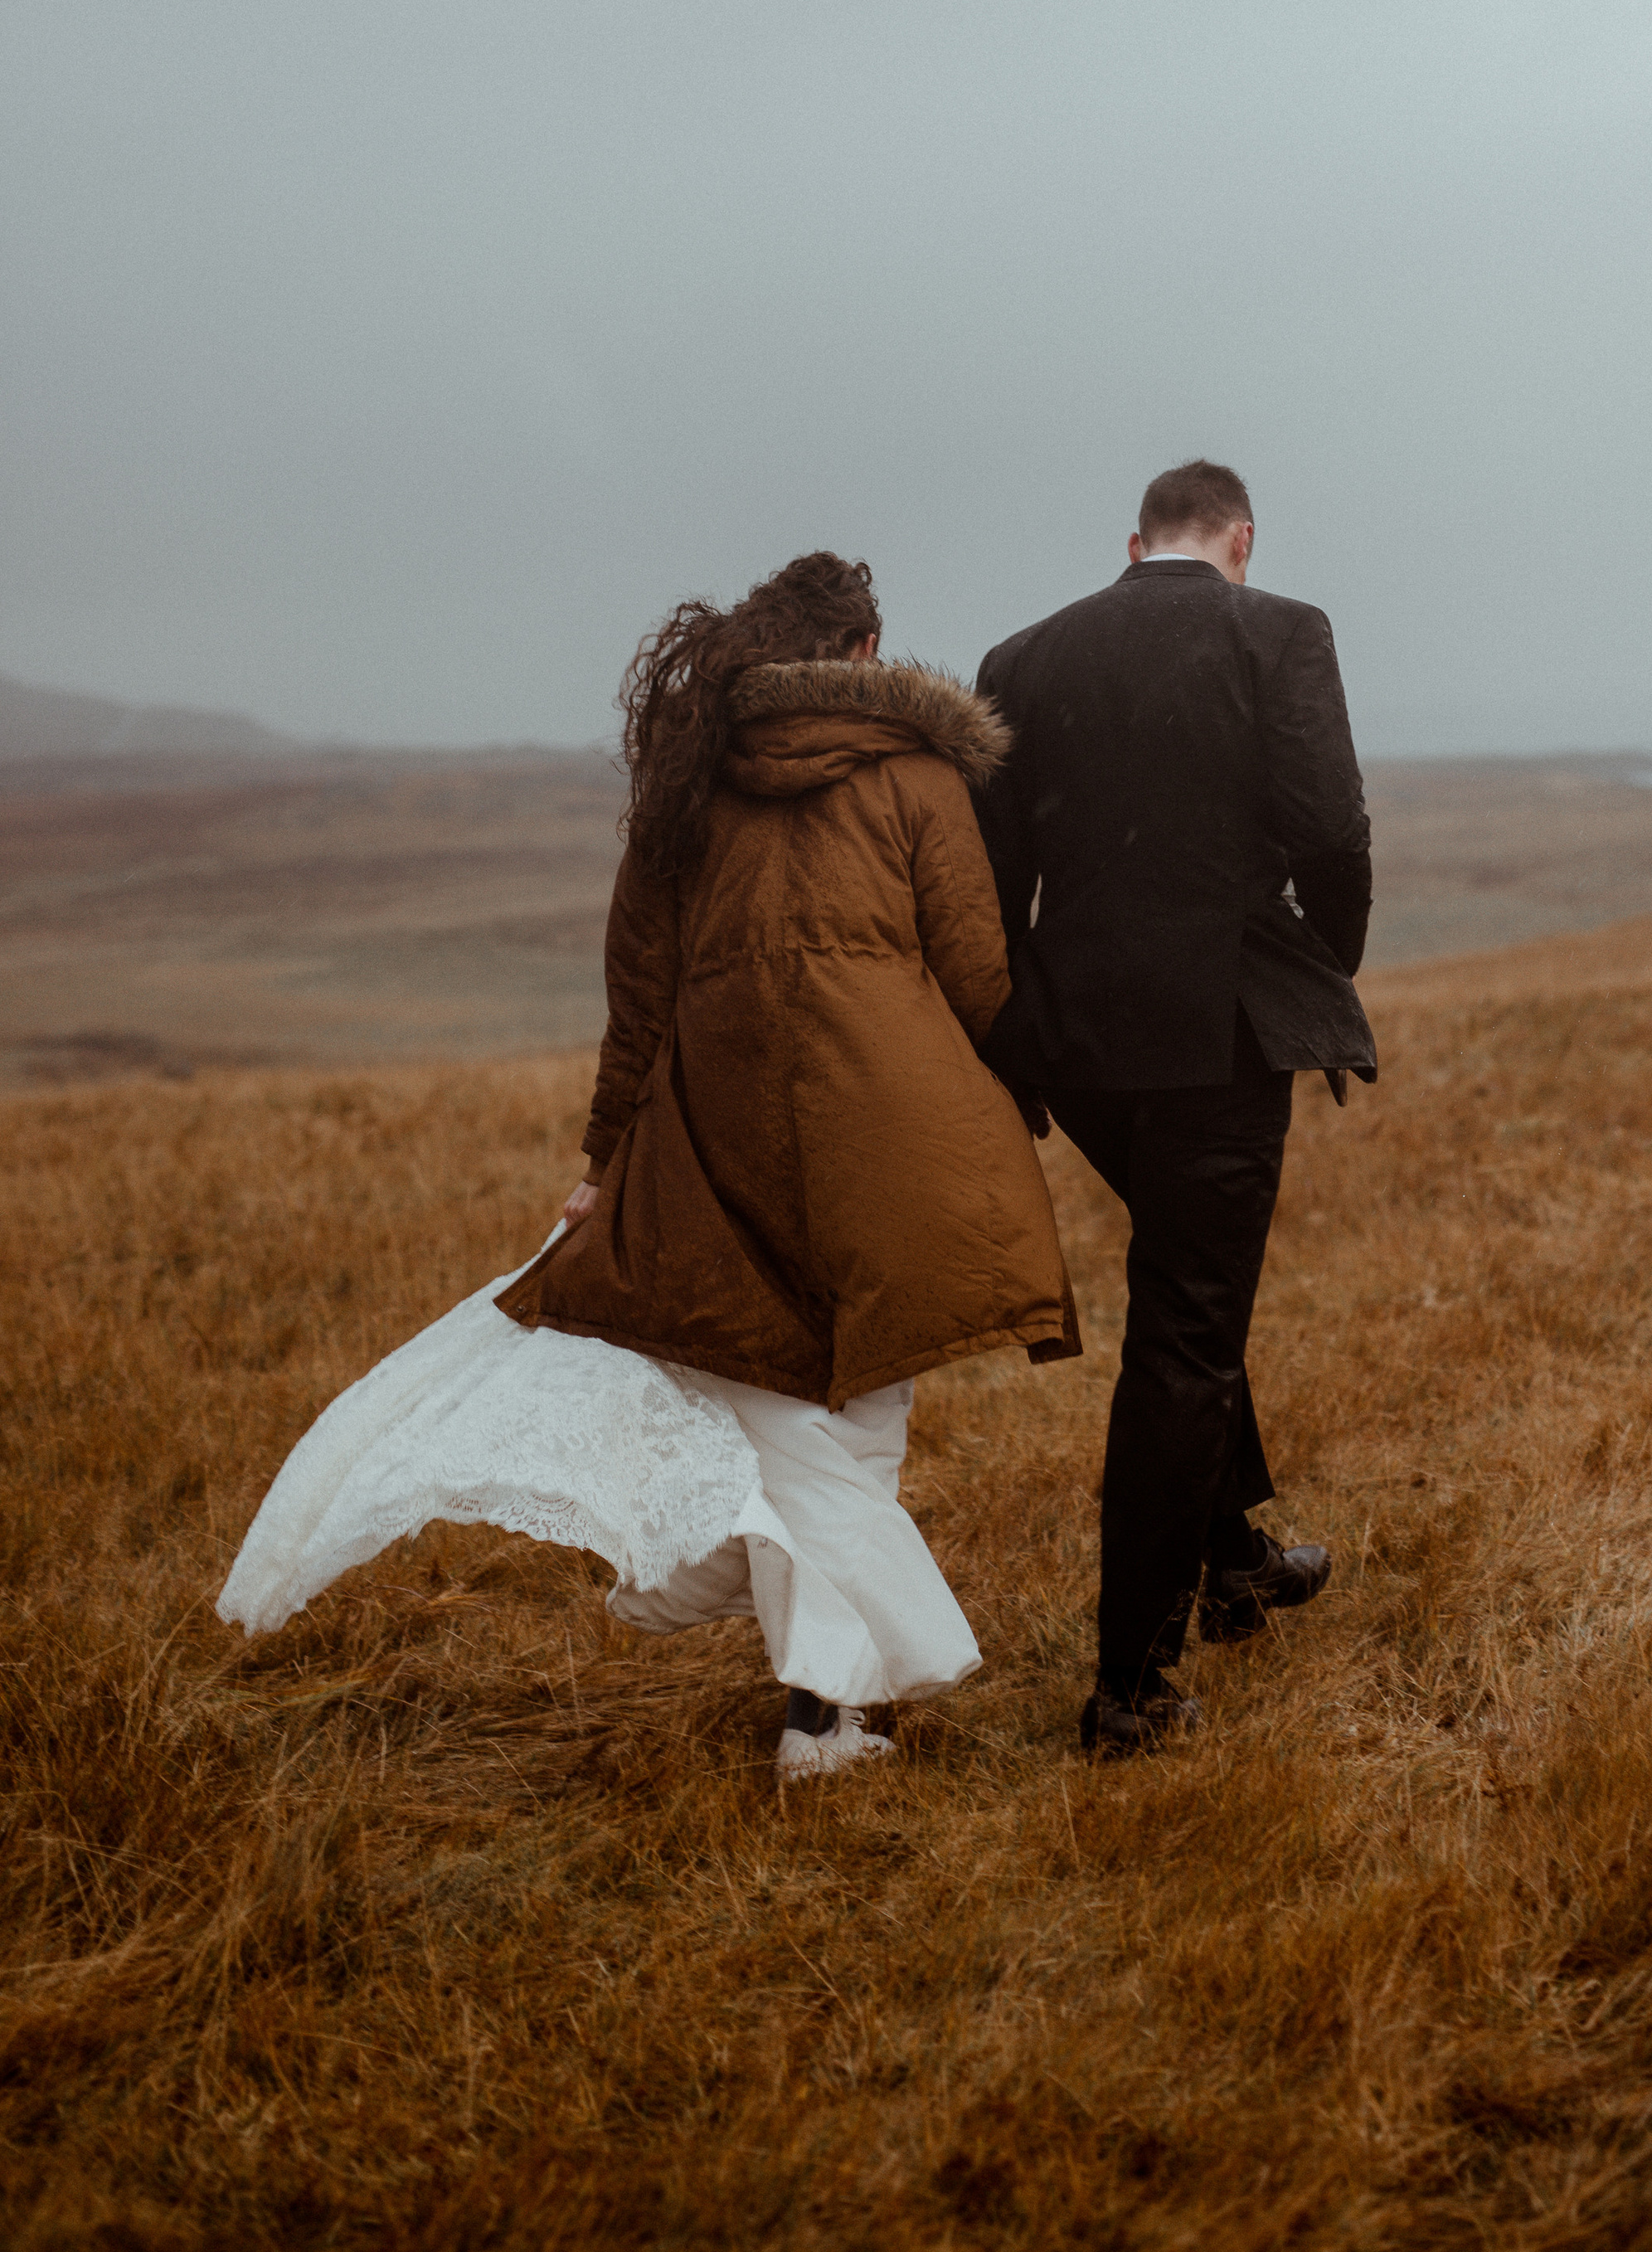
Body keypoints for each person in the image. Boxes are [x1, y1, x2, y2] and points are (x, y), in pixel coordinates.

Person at [220, 551, 1079, 1781]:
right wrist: (1043, 1091)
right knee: (860, 1401)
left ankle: (825, 1711)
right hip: (893, 1124)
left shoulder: (689, 781)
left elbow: (639, 998)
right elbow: (979, 968)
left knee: (780, 1403)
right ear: (857, 657)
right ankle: (837, 1704)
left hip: (717, 1132)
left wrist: (608, 1157)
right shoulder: (918, 772)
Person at [973, 461, 1374, 1758]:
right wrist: (1324, 960)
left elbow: (992, 886)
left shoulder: (1021, 657)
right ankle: (1129, 1691)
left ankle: (1237, 1558)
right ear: (1240, 540)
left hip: (1082, 1045)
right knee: (1186, 1340)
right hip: (1216, 1036)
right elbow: (1332, 830)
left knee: (1185, 1286)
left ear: (1134, 542)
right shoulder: (1281, 630)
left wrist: (1021, 1043)